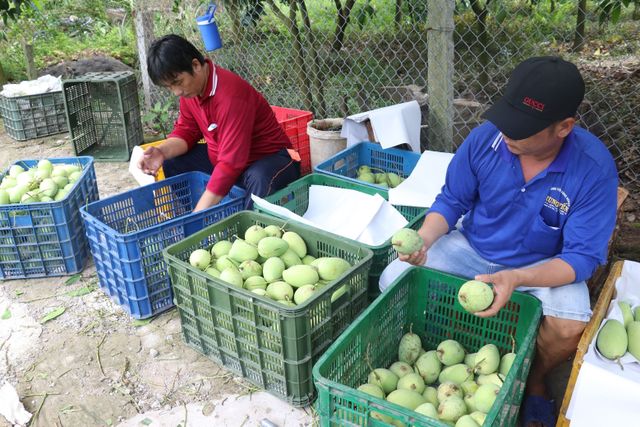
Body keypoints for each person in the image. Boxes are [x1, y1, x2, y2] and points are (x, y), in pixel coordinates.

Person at [379, 56, 618, 427]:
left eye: (523, 129)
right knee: (392, 278)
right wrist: (424, 240)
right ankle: (450, 351)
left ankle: (534, 378)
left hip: (540, 266)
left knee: (570, 323)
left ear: (564, 127)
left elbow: (581, 259)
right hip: (472, 248)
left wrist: (517, 278)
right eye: (508, 119)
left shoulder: (592, 169)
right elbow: (451, 201)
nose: (507, 133)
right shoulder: (486, 140)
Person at [139, 34, 300, 210]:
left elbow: (231, 163)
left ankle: (246, 229)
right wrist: (161, 151)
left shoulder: (230, 97)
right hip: (228, 160)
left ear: (196, 65)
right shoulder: (191, 91)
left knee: (259, 178)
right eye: (169, 87)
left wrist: (199, 213)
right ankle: (204, 214)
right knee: (173, 160)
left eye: (178, 82)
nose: (176, 92)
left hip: (272, 160)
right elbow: (187, 131)